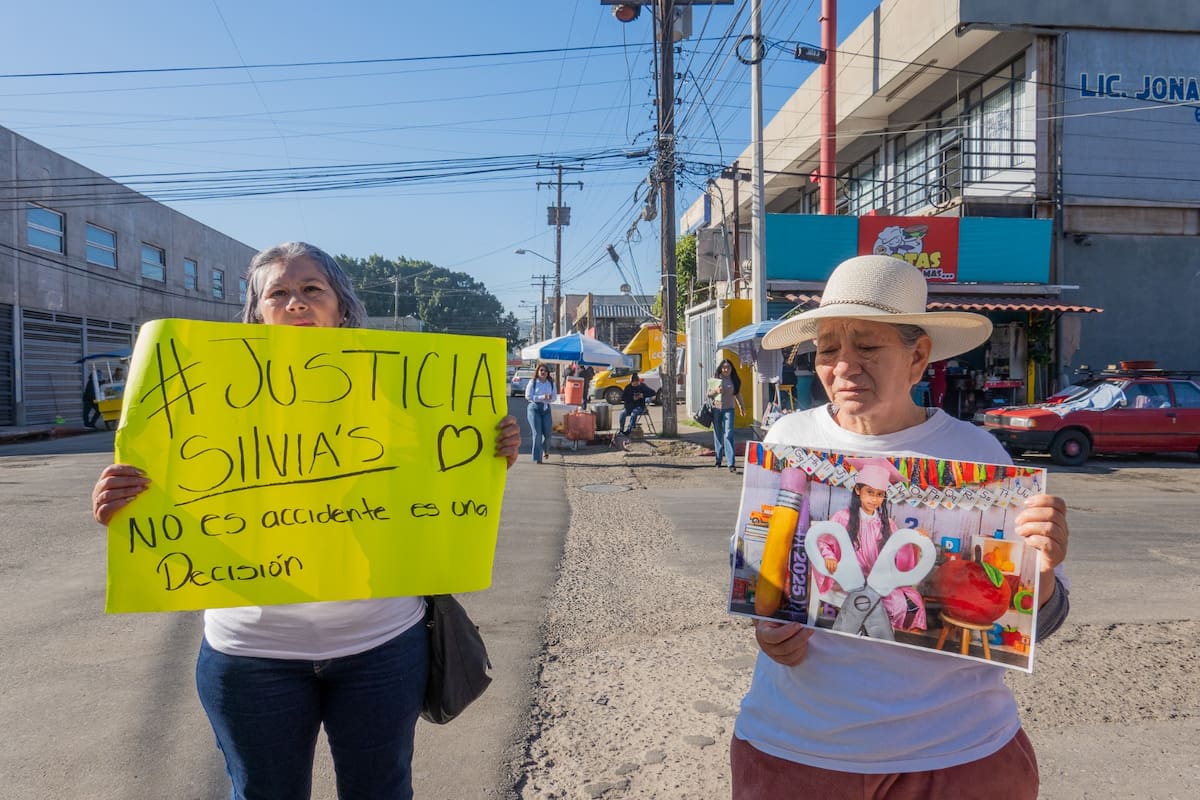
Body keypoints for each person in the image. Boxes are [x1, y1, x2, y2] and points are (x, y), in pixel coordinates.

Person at [90, 241, 521, 800]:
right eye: (279, 294)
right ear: (256, 313)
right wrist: (121, 504)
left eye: (311, 290)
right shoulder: (200, 401)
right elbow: (170, 496)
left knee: (381, 791)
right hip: (249, 656)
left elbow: (440, 481)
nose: (296, 303)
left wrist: (491, 450)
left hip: (382, 645)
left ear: (340, 306)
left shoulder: (407, 391)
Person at [732, 254, 1071, 799]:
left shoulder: (978, 456)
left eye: (867, 346)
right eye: (828, 349)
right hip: (796, 747)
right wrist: (768, 628)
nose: (844, 366)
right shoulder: (786, 443)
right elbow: (760, 574)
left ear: (918, 357)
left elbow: (1034, 617)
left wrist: (1045, 570)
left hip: (959, 753)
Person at [813, 456, 927, 632]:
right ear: (858, 490)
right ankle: (864, 636)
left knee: (911, 600)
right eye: (870, 492)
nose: (874, 499)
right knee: (881, 602)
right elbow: (824, 541)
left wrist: (914, 541)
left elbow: (900, 550)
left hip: (877, 580)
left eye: (879, 494)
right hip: (849, 579)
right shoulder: (842, 517)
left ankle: (873, 638)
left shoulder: (887, 523)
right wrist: (829, 557)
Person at [708, 358, 745, 472]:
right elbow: (708, 394)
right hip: (717, 409)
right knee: (718, 434)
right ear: (721, 368)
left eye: (728, 367)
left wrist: (741, 407)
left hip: (729, 409)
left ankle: (731, 463)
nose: (726, 369)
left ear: (731, 369)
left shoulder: (734, 380)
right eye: (724, 367)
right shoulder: (716, 379)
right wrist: (715, 391)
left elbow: (738, 394)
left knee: (728, 434)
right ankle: (718, 459)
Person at [525, 362, 556, 464]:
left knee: (548, 433)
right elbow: (528, 396)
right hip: (534, 408)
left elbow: (554, 397)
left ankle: (545, 450)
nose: (543, 372)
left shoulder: (550, 383)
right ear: (537, 371)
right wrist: (541, 397)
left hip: (546, 409)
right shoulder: (533, 382)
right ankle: (537, 457)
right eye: (541, 370)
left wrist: (550, 398)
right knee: (537, 434)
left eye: (545, 371)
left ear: (548, 373)